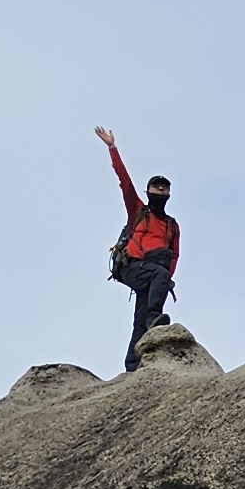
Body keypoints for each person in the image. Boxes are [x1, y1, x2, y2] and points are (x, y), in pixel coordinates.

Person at [96, 126, 179, 370]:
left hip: (153, 275)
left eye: (164, 188)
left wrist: (166, 280)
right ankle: (155, 318)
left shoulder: (172, 225)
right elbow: (124, 182)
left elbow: (174, 255)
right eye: (157, 187)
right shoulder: (139, 210)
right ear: (148, 191)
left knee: (140, 319)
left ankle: (132, 365)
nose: (161, 190)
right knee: (158, 283)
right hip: (133, 266)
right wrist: (112, 148)